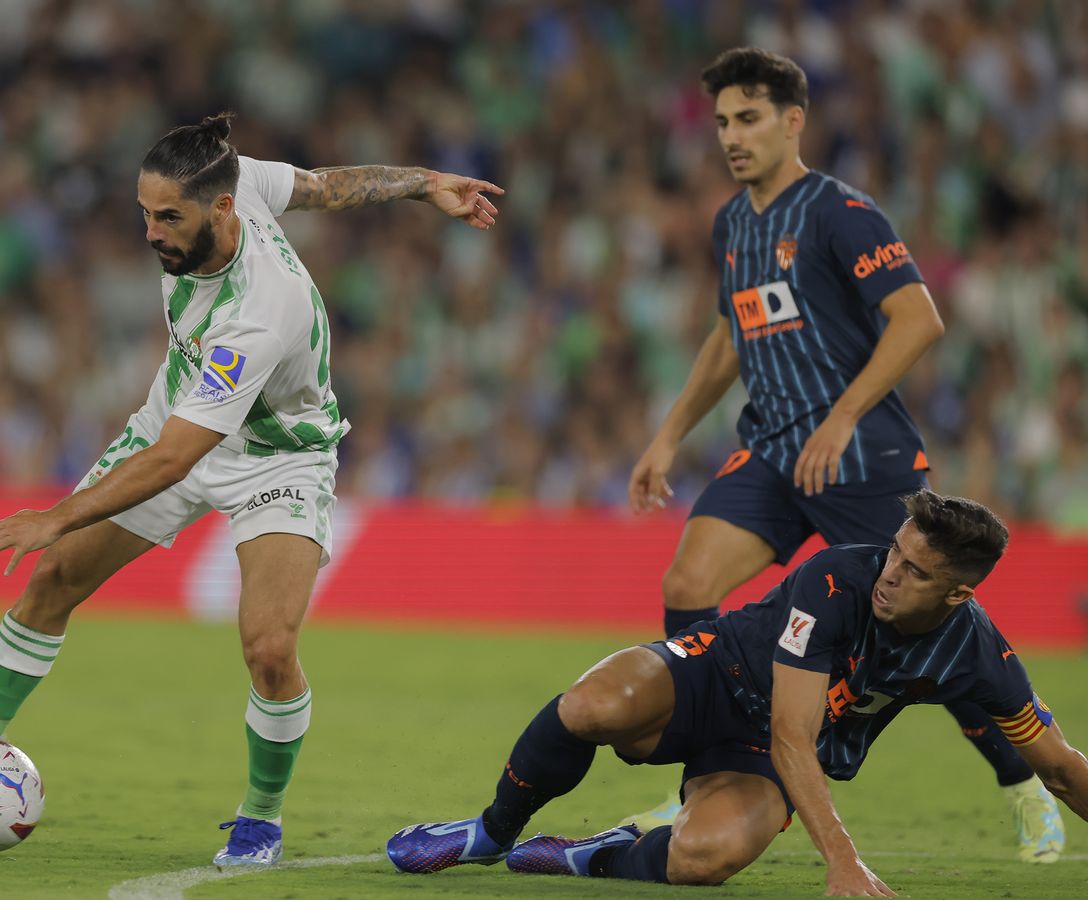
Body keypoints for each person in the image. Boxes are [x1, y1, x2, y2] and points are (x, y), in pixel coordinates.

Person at [0, 112, 504, 866]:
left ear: (221, 209)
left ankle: (262, 818)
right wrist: (424, 183)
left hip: (277, 461)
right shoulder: (238, 182)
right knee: (53, 581)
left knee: (270, 648)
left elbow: (174, 463)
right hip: (172, 422)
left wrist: (59, 514)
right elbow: (326, 186)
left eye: (168, 217)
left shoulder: (258, 312)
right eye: (144, 213)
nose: (151, 233)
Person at [623, 47, 1064, 859]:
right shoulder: (732, 225)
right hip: (774, 451)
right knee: (686, 583)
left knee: (936, 636)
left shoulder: (840, 212)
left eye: (748, 118)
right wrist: (669, 433)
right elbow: (730, 335)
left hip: (864, 456)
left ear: (794, 122)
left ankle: (1026, 779)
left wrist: (842, 417)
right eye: (722, 121)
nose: (731, 136)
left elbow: (918, 318)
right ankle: (706, 779)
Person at [388, 490, 1088, 894]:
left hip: (759, 751)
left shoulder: (977, 654)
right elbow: (793, 732)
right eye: (895, 552)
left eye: (914, 571)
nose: (891, 574)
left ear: (959, 594)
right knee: (593, 705)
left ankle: (585, 854)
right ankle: (488, 833)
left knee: (706, 859)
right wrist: (845, 864)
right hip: (710, 677)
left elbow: (1057, 766)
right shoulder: (840, 579)